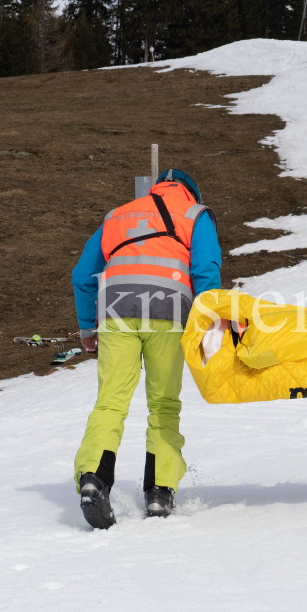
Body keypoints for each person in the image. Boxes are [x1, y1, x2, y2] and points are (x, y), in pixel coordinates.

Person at [71, 169, 221, 529]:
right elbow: (205, 269)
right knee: (164, 404)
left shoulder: (117, 215)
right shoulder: (195, 214)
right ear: (189, 191)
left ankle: (93, 479)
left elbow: (82, 275)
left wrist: (87, 328)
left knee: (110, 402)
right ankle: (159, 492)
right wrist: (210, 322)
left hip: (115, 313)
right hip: (167, 315)